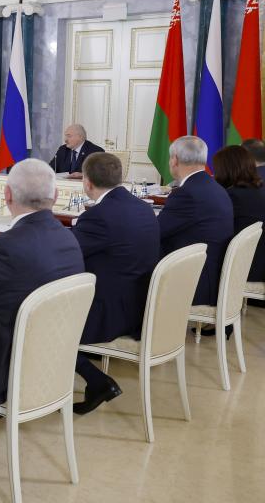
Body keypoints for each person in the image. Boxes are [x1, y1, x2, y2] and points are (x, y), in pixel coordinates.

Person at [0, 158, 84, 454]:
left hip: (1, 367)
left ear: (7, 196)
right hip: (51, 363)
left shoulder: (4, 247)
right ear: (56, 196)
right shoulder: (69, 239)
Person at [71, 152, 160, 415]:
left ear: (87, 183)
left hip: (110, 314)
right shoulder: (144, 208)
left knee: (42, 321)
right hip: (138, 306)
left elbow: (66, 253)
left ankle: (96, 381)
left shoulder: (98, 216)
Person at [158, 136, 233, 306]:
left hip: (196, 281)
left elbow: (156, 231)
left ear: (174, 160)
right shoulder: (215, 187)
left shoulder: (187, 193)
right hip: (212, 274)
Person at [214, 145, 265, 286]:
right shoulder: (257, 189)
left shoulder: (233, 196)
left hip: (246, 269)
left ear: (225, 169)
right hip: (258, 265)